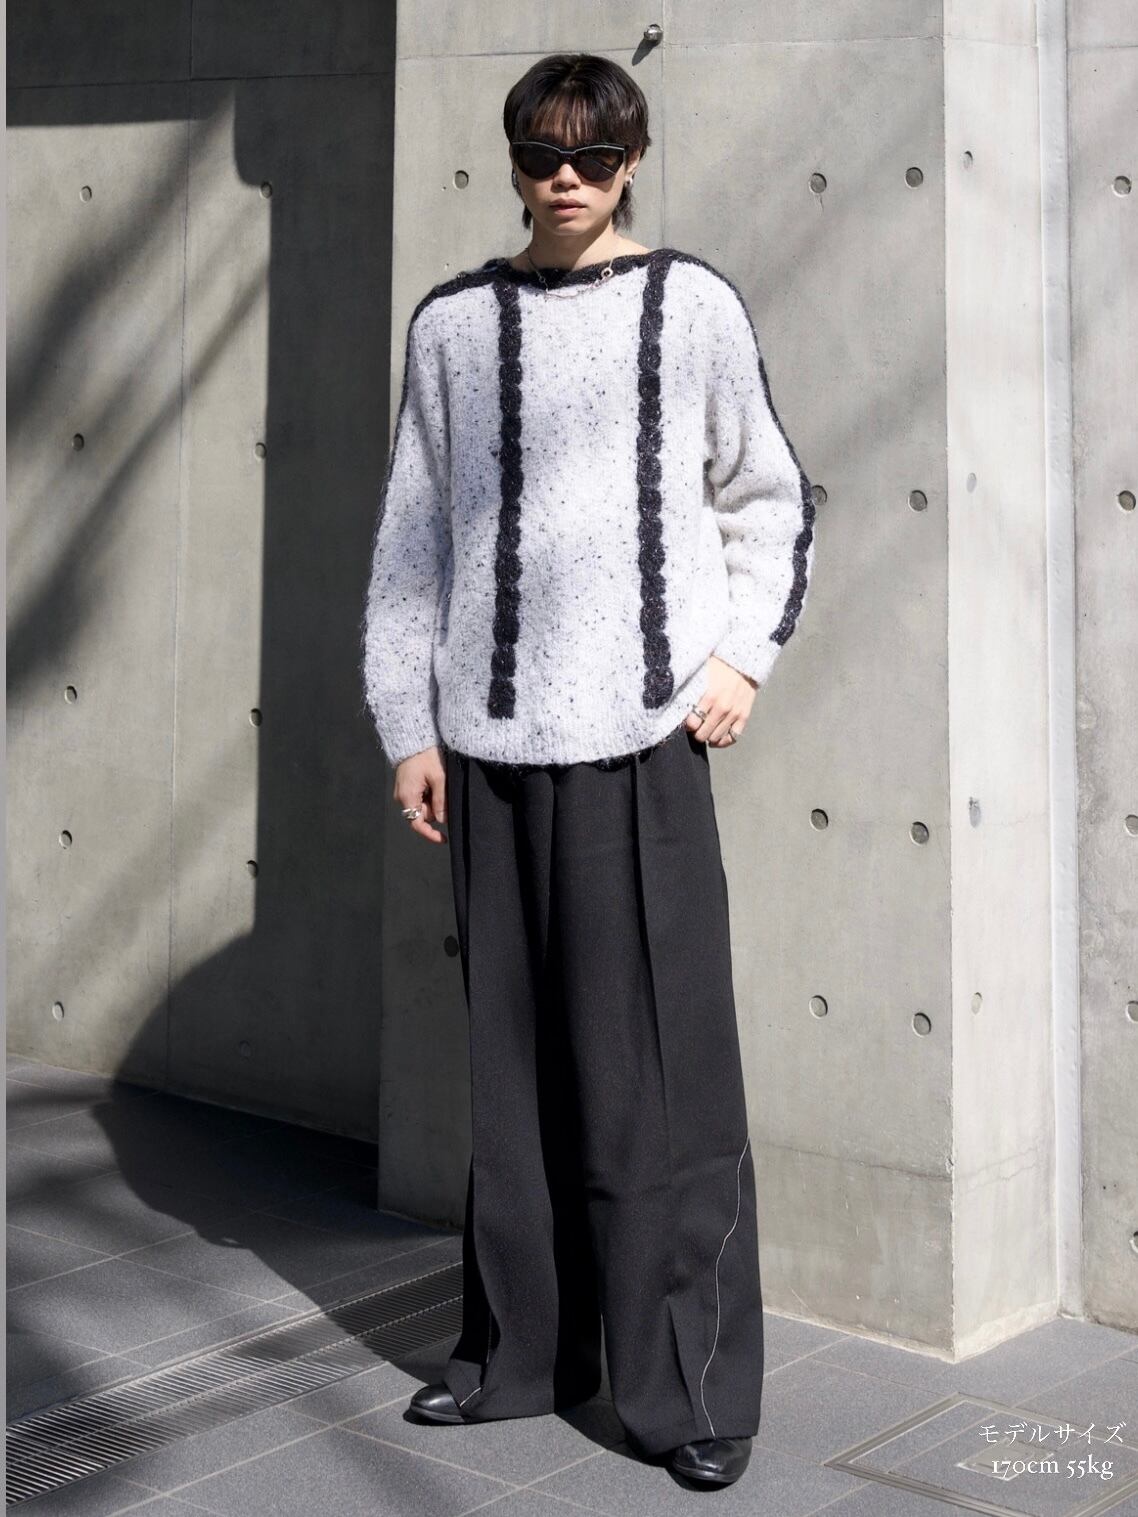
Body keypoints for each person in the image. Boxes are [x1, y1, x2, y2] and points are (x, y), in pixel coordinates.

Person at [359, 51, 815, 1489]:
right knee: (511, 1084)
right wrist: (409, 724)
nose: (565, 177)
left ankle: (688, 1392)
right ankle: (517, 1360)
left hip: (640, 750)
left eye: (593, 155)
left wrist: (739, 659)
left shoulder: (691, 307)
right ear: (511, 161)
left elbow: (768, 496)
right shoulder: (451, 325)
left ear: (631, 161)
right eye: (541, 153)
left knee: (662, 1089)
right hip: (488, 753)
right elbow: (411, 540)